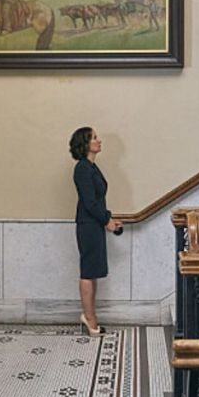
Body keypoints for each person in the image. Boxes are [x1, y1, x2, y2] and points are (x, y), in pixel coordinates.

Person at [69, 127, 122, 336]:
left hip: (94, 224)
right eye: (94, 138)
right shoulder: (82, 168)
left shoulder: (91, 167)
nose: (99, 141)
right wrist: (106, 220)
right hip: (88, 225)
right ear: (85, 144)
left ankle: (91, 317)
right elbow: (89, 202)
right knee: (88, 271)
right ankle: (89, 318)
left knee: (93, 271)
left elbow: (97, 201)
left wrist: (108, 217)